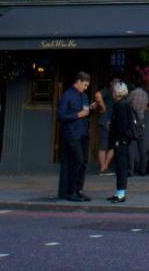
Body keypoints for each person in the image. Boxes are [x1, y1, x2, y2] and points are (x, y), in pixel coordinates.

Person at [58, 71, 92, 201]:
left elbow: (85, 112)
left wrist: (90, 109)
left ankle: (79, 190)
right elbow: (61, 115)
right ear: (78, 82)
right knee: (77, 160)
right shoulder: (67, 95)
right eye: (85, 85)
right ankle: (70, 191)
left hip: (83, 132)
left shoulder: (84, 97)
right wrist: (78, 115)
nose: (86, 88)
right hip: (72, 133)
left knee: (83, 162)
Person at [107, 81, 138, 203]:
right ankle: (118, 192)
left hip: (122, 141)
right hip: (123, 140)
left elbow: (122, 125)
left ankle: (121, 194)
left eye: (114, 91)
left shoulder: (121, 106)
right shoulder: (123, 104)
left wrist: (118, 140)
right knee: (120, 167)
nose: (112, 93)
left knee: (121, 167)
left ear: (118, 93)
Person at [128, 80, 149, 175]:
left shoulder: (133, 93)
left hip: (133, 120)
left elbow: (127, 104)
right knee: (142, 146)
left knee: (132, 146)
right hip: (142, 120)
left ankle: (130, 170)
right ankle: (143, 170)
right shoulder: (145, 95)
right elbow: (145, 108)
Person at [95, 85, 113, 174]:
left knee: (112, 146)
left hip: (112, 123)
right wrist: (102, 106)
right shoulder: (107, 91)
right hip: (105, 122)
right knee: (104, 145)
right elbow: (98, 95)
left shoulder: (116, 94)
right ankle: (103, 168)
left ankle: (105, 166)